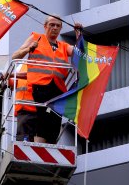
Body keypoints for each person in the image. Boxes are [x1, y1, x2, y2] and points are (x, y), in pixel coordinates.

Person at [12, 15, 82, 144]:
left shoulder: (63, 46)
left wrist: (78, 35)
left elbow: (79, 52)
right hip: (40, 86)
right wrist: (29, 49)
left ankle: (48, 145)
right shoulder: (36, 38)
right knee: (43, 120)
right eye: (52, 25)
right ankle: (39, 145)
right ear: (45, 26)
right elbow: (15, 56)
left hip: (58, 89)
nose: (55, 28)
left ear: (61, 28)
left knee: (55, 121)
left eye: (58, 26)